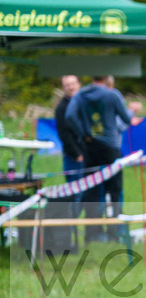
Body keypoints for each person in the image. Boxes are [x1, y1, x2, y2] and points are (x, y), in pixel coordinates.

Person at [66, 75, 143, 242]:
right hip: (110, 148)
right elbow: (126, 119)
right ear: (107, 77)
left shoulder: (81, 95)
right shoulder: (112, 95)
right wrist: (132, 110)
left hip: (90, 147)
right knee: (115, 191)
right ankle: (116, 232)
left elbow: (70, 116)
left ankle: (92, 234)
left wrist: (83, 134)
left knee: (91, 191)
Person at [55, 75, 84, 206]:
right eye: (67, 85)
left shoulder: (85, 102)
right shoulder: (61, 108)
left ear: (79, 84)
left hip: (91, 155)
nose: (70, 87)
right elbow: (64, 135)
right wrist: (77, 154)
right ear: (63, 88)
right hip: (74, 158)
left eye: (73, 84)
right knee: (76, 195)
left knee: (92, 195)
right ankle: (71, 225)